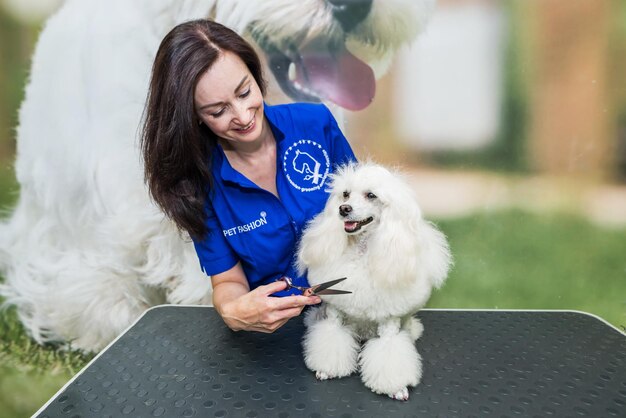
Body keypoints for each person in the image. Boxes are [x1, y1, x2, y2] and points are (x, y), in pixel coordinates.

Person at [141, 19, 357, 333]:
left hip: (351, 313)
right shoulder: (196, 185)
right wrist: (233, 310)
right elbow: (228, 280)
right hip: (274, 336)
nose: (242, 116)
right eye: (217, 111)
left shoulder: (317, 122)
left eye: (244, 92)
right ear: (193, 118)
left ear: (256, 76)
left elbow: (368, 212)